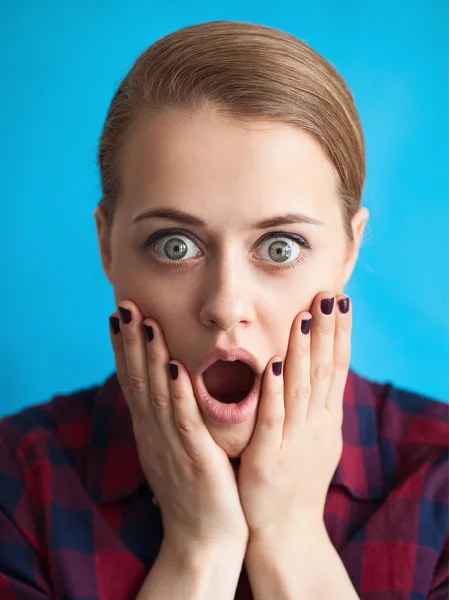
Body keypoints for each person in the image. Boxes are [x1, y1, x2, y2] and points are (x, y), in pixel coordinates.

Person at [0, 19, 447, 600]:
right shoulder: (18, 483)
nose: (225, 306)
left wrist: (290, 537)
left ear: (349, 250)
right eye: (175, 245)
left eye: (280, 247)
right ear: (107, 246)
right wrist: (197, 551)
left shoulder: (438, 482)